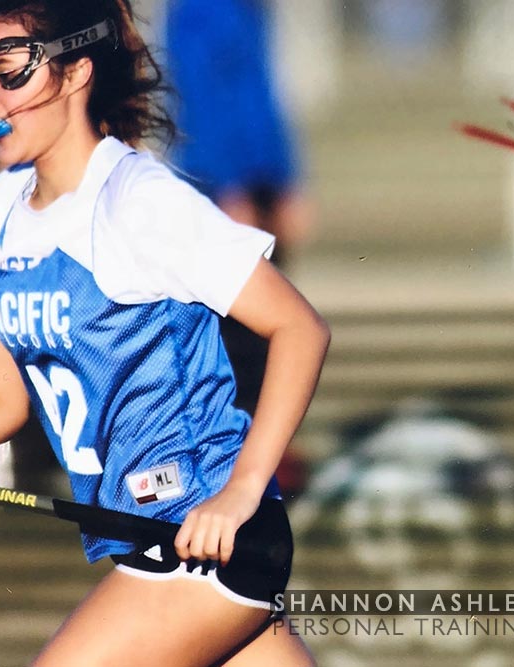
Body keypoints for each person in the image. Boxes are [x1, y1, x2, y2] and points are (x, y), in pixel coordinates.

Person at [0, 1, 329, 665]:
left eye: (9, 73)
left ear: (74, 75)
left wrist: (243, 490)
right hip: (140, 536)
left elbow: (300, 329)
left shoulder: (137, 202)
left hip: (207, 535)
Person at [164, 2, 315, 489]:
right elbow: (200, 94)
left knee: (268, 326)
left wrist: (287, 177)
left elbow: (263, 93)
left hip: (258, 179)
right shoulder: (200, 9)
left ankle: (271, 445)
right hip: (225, 184)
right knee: (240, 334)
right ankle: (242, 450)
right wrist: (228, 184)